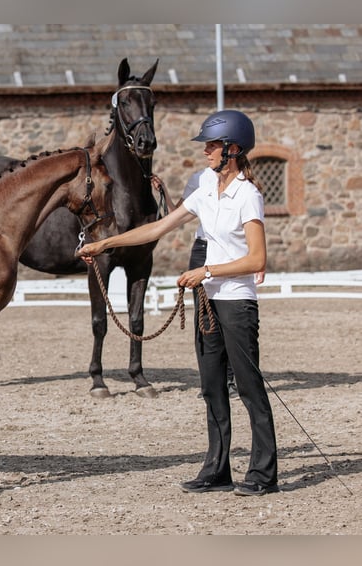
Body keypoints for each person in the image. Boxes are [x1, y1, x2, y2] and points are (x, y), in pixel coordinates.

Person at [77, 109, 278, 496]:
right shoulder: (205, 189)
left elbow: (257, 260)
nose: (205, 151)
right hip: (208, 303)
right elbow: (157, 227)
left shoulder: (247, 196)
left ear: (232, 149)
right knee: (211, 386)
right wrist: (105, 243)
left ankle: (263, 474)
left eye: (213, 145)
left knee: (249, 387)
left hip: (235, 302)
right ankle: (217, 469)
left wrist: (206, 272)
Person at [152, 171, 266, 400]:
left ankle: (233, 379)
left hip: (230, 248)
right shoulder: (198, 179)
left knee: (230, 319)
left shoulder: (244, 186)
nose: (207, 150)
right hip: (202, 248)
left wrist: (257, 261)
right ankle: (213, 380)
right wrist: (163, 190)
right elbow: (176, 215)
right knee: (205, 318)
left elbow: (251, 226)